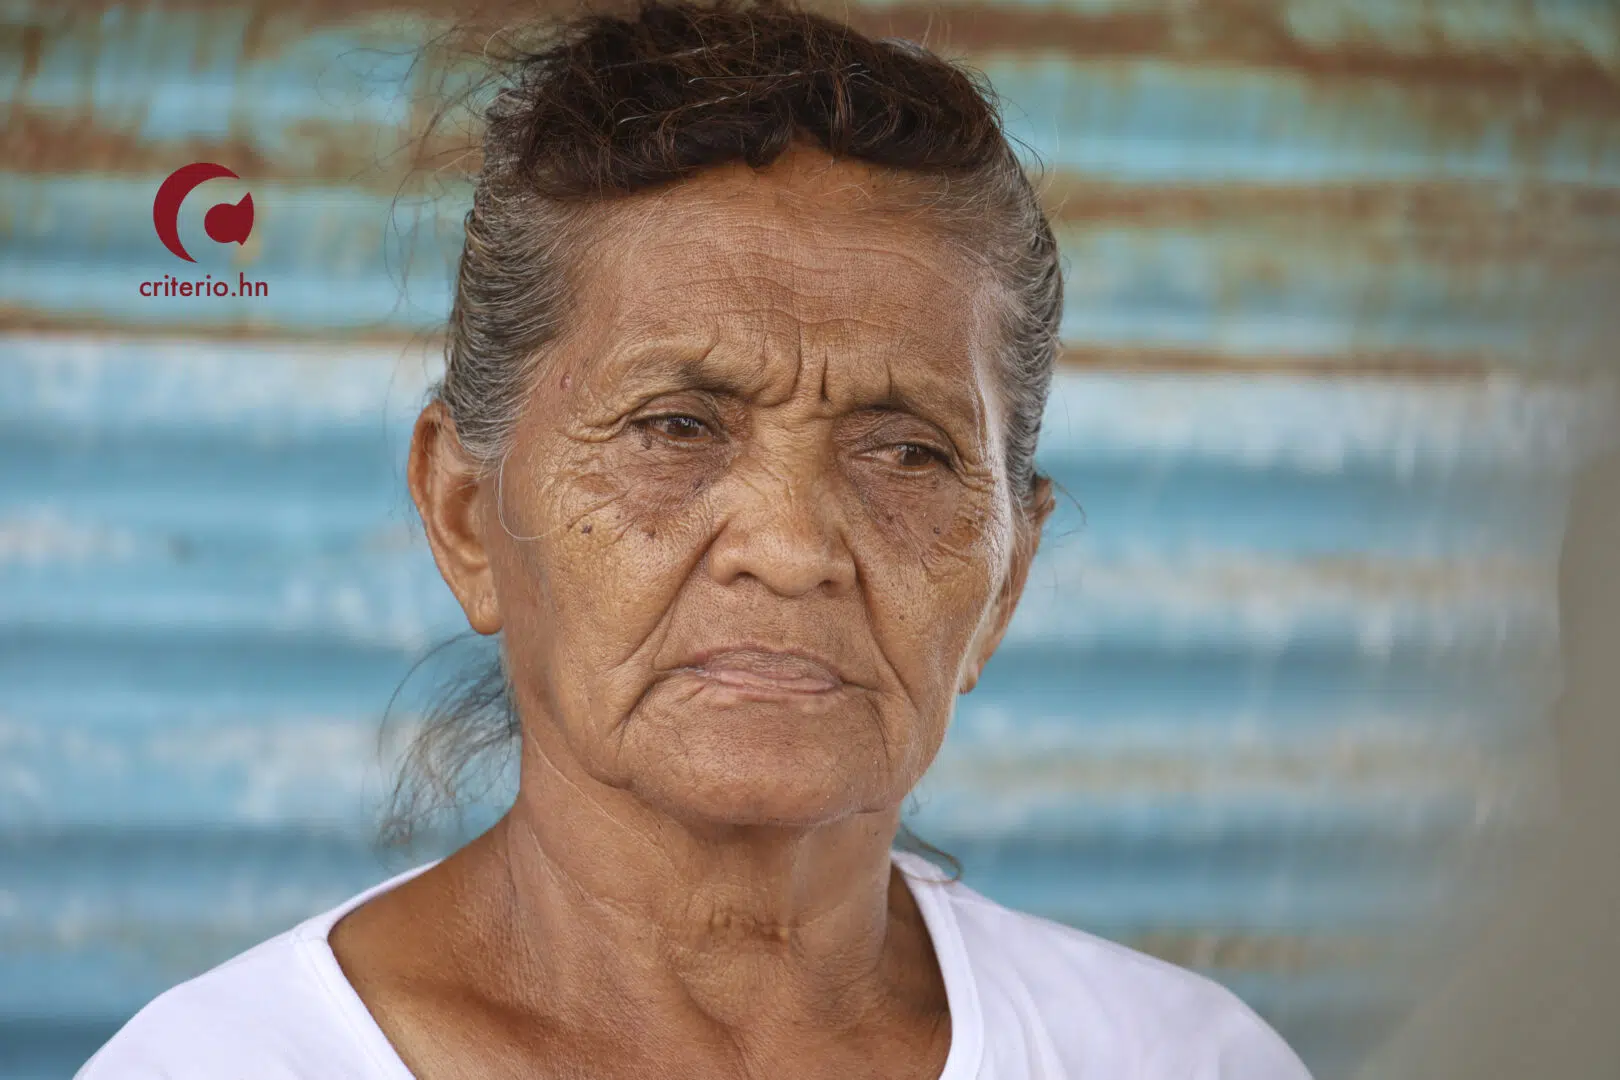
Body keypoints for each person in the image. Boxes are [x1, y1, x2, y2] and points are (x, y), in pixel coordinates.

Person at [78, 1, 1312, 1076]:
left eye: (908, 451)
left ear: (1006, 582)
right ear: (466, 516)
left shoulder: (1177, 1060)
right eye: (675, 426)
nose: (788, 547)